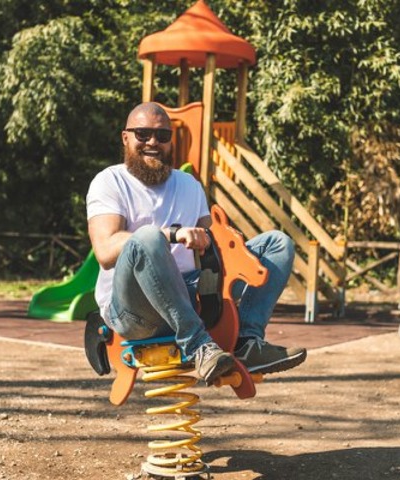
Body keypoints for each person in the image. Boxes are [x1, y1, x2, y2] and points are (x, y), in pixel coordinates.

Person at [86, 102, 306, 385]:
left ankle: (247, 343)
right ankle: (198, 345)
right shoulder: (110, 181)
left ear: (171, 141)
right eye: (143, 134)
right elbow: (105, 250)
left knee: (277, 244)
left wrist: (227, 242)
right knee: (148, 237)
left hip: (190, 294)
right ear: (125, 137)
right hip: (133, 309)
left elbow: (213, 245)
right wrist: (171, 234)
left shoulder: (189, 184)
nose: (152, 142)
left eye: (162, 135)